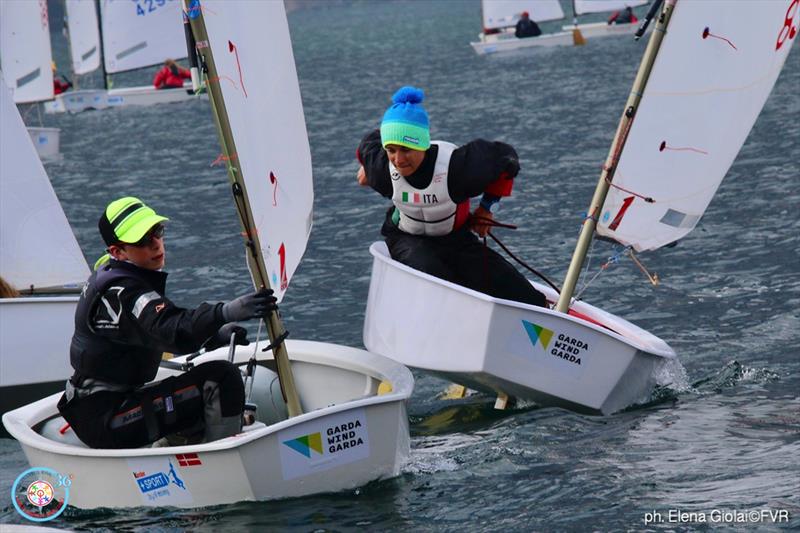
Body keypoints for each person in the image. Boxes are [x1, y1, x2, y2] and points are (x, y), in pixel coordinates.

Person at [57, 196, 278, 449]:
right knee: (221, 378)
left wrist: (211, 339)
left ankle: (184, 443)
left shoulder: (118, 274)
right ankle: (221, 462)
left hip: (110, 403)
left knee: (207, 379)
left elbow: (152, 335)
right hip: (106, 418)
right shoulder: (121, 292)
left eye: (157, 232)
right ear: (117, 251)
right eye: (142, 240)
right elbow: (172, 329)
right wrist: (224, 312)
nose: (155, 244)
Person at [355, 86, 546, 308]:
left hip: (456, 240)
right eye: (391, 150)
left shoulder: (457, 168)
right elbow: (366, 146)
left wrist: (487, 209)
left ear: (423, 144)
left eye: (406, 150)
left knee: (523, 295)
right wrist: (365, 167)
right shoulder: (381, 169)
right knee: (434, 276)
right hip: (406, 239)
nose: (398, 159)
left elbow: (507, 160)